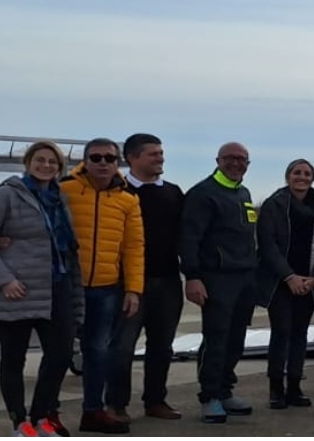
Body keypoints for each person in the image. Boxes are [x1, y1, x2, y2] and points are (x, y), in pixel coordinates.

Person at [0, 141, 82, 438]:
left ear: (60, 167)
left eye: (52, 162)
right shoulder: (6, 195)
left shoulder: (59, 198)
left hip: (57, 284)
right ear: (28, 162)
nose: (46, 166)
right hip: (17, 287)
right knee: (13, 357)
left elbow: (65, 246)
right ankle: (19, 422)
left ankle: (41, 416)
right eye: (40, 160)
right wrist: (3, 279)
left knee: (59, 355)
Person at [58, 138, 144, 434]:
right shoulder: (64, 190)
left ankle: (93, 411)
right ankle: (47, 413)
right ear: (85, 160)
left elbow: (134, 247)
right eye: (96, 158)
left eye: (110, 158)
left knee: (97, 351)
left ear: (119, 162)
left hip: (107, 288)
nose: (103, 163)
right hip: (68, 287)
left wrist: (133, 289)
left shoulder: (128, 199)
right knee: (58, 351)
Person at [180, 142, 258, 424]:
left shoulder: (243, 193)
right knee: (216, 338)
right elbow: (189, 239)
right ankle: (209, 396)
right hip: (217, 278)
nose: (236, 163)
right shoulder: (203, 194)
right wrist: (193, 276)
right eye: (230, 158)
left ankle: (225, 390)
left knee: (236, 339)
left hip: (244, 277)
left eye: (242, 159)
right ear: (218, 160)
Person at [111, 133, 187, 422]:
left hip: (166, 281)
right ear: (132, 158)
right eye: (153, 154)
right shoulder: (117, 191)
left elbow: (185, 236)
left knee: (162, 346)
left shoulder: (173, 192)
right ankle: (117, 404)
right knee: (122, 347)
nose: (160, 158)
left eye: (161, 153)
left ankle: (156, 400)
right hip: (127, 284)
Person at [257, 158, 314, 409]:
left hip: (310, 283)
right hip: (280, 282)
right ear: (287, 176)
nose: (302, 177)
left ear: (313, 178)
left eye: (307, 173)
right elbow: (267, 245)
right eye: (296, 173)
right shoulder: (274, 204)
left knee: (300, 335)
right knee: (281, 333)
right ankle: (275, 389)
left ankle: (294, 386)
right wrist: (289, 276)